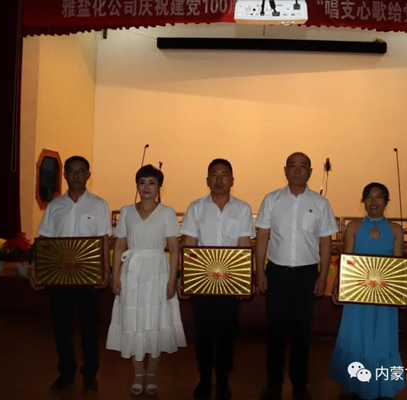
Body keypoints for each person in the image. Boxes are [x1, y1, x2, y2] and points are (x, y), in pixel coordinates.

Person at [255, 152, 339, 400]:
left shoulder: (320, 203)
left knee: (302, 332)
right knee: (275, 332)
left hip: (306, 276)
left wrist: (323, 275)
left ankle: (300, 385)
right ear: (285, 170)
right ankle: (273, 383)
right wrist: (260, 271)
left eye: (303, 166)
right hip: (277, 274)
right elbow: (262, 238)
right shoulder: (271, 200)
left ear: (310, 172)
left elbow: (326, 242)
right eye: (293, 166)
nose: (298, 170)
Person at [29, 155, 112, 393]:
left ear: (88, 175)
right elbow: (45, 239)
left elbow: (104, 240)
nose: (76, 175)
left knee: (89, 328)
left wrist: (105, 270)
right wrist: (34, 266)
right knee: (62, 327)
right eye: (71, 171)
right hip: (59, 277)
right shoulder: (55, 206)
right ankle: (65, 373)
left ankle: (90, 375)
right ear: (64, 175)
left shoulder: (99, 205)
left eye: (81, 170)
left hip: (88, 277)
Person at [106, 164, 186, 395]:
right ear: (137, 186)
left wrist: (172, 279)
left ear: (159, 186)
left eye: (152, 182)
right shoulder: (127, 211)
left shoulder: (167, 212)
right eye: (142, 182)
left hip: (158, 271)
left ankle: (152, 373)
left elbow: (174, 247)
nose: (147, 187)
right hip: (132, 272)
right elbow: (119, 245)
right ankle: (138, 373)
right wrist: (115, 275)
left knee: (155, 320)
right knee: (134, 320)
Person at [180, 158, 256, 400]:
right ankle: (204, 379)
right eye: (214, 174)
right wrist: (184, 278)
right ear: (207, 180)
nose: (219, 179)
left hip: (231, 283)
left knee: (227, 334)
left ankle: (222, 380)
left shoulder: (243, 208)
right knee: (202, 333)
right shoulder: (196, 208)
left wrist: (246, 280)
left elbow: (244, 246)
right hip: (201, 282)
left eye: (224, 174)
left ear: (232, 180)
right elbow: (189, 244)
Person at [329, 182, 407, 399]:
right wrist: (338, 284)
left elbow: (398, 265)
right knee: (356, 335)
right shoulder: (353, 227)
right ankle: (355, 383)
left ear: (386, 201)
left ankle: (381, 384)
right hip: (357, 295)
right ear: (363, 201)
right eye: (369, 197)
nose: (374, 202)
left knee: (382, 336)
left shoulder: (396, 230)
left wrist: (403, 292)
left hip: (384, 297)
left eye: (379, 197)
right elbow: (347, 258)